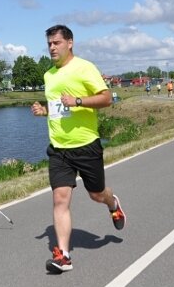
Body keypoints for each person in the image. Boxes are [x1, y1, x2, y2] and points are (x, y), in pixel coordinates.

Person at [31, 25, 126, 273]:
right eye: (49, 43)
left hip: (86, 145)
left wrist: (78, 101)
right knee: (60, 199)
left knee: (96, 194)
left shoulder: (84, 67)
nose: (52, 47)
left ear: (70, 43)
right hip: (59, 149)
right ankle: (63, 255)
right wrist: (45, 111)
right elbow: (58, 108)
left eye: (56, 42)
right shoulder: (48, 75)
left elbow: (106, 98)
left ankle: (112, 204)